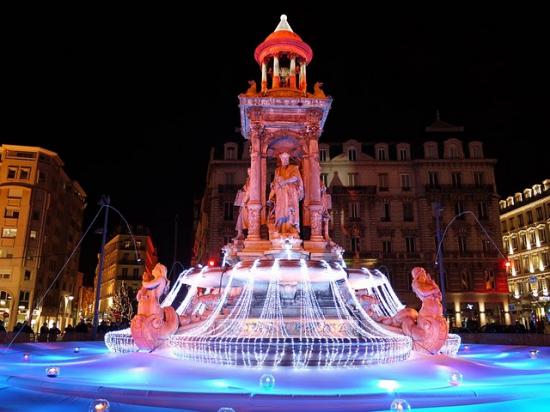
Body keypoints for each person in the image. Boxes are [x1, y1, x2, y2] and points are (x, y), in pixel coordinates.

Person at [268, 152, 304, 236]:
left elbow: (296, 178)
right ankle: (281, 228)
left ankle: (291, 228)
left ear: (288, 159)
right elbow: (275, 181)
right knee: (280, 211)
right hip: (281, 194)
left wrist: (285, 181)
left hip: (291, 193)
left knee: (290, 211)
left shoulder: (294, 167)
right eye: (282, 159)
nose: (284, 160)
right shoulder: (277, 170)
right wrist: (273, 184)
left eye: (286, 159)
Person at [234, 168, 251, 239]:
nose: (249, 173)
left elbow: (249, 192)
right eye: (248, 172)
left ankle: (241, 234)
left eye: (250, 172)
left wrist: (243, 202)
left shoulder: (253, 180)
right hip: (246, 202)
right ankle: (240, 233)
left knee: (248, 219)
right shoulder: (248, 180)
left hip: (249, 202)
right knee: (240, 217)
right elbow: (245, 189)